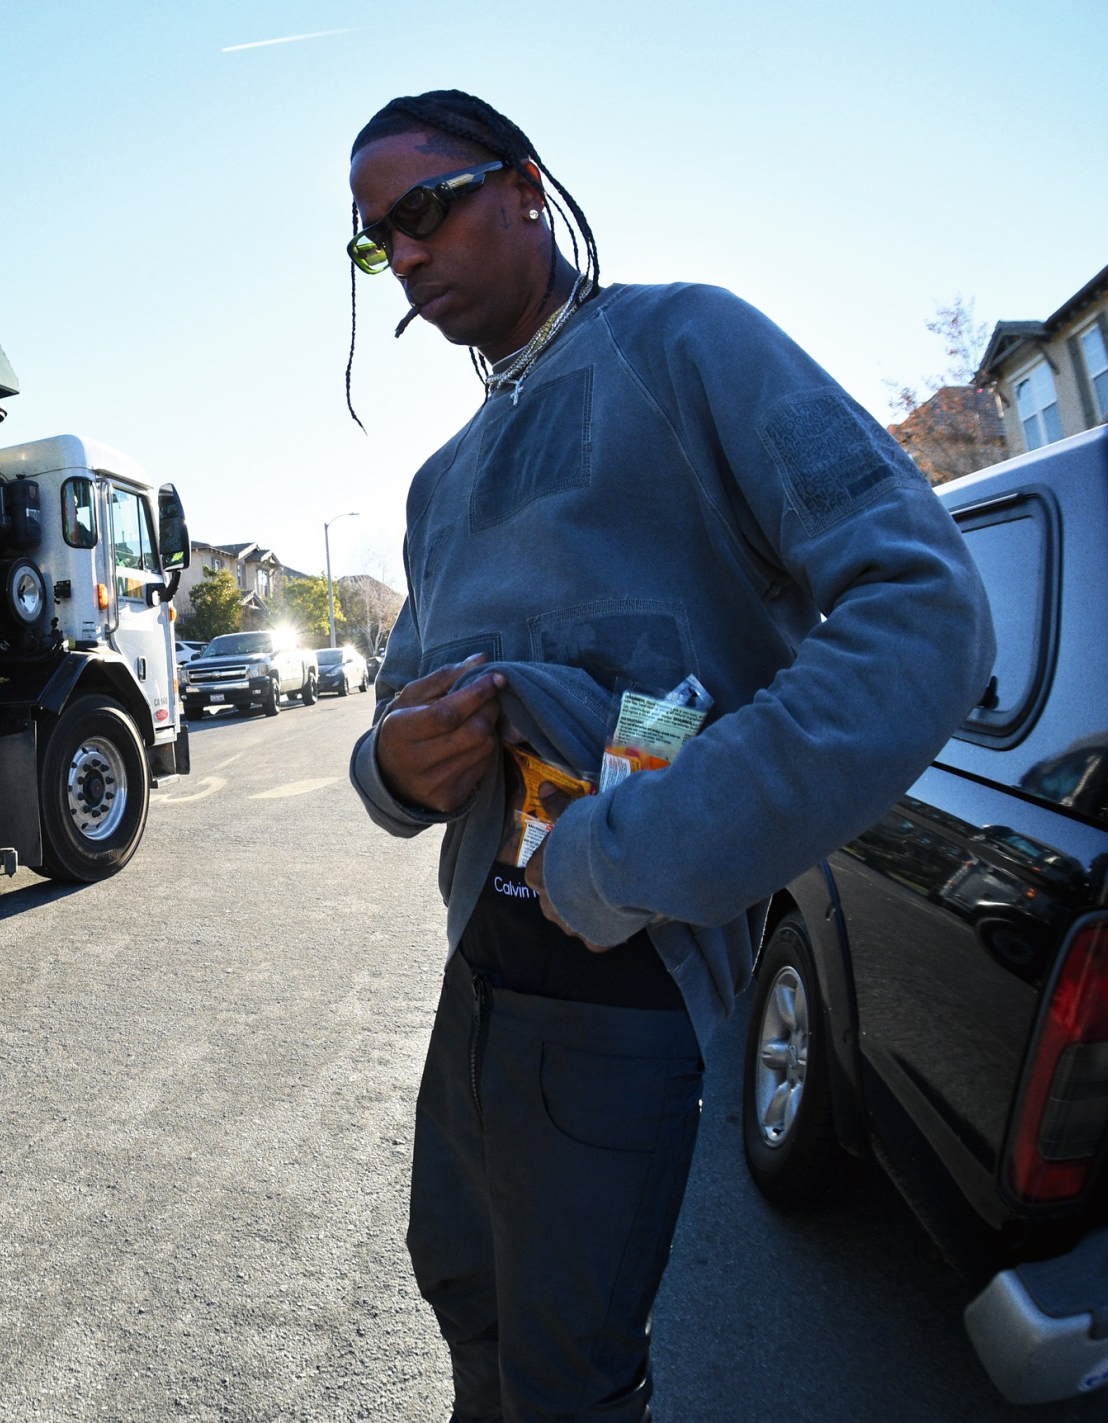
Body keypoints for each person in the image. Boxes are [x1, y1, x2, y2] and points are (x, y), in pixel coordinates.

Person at [342, 90, 994, 1423]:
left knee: (568, 1377)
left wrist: (625, 855)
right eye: (373, 242)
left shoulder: (686, 345)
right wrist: (394, 770)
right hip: (477, 976)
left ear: (525, 186)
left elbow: (920, 612)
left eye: (423, 211)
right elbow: (394, 715)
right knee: (459, 1286)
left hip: (621, 988)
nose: (403, 257)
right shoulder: (438, 485)